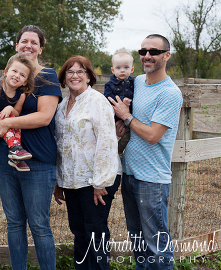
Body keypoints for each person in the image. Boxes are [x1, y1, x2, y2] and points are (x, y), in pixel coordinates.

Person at [0, 25, 62, 270]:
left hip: (38, 160)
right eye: (23, 41)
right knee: (14, 223)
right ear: (16, 45)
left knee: (39, 224)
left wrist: (7, 121)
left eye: (33, 42)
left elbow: (44, 117)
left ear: (41, 48)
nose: (28, 46)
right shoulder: (12, 76)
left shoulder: (46, 76)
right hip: (4, 158)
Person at [109, 34, 183, 270]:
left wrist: (126, 117)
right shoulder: (137, 82)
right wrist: (120, 124)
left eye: (154, 51)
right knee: (138, 241)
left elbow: (153, 136)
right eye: (143, 52)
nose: (147, 56)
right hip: (130, 174)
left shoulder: (170, 93)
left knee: (156, 244)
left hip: (152, 178)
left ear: (167, 55)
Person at [53, 55, 121, 270]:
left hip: (95, 181)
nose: (75, 76)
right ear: (64, 77)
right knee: (79, 232)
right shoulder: (62, 106)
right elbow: (60, 145)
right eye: (70, 72)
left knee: (96, 232)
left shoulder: (97, 101)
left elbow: (107, 142)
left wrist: (100, 182)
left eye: (80, 71)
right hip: (72, 180)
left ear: (89, 76)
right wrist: (59, 181)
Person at [104, 48, 135, 158]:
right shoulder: (109, 84)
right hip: (115, 117)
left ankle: (118, 151)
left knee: (128, 136)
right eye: (118, 68)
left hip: (131, 117)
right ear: (113, 70)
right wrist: (122, 101)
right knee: (110, 135)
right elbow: (108, 97)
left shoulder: (134, 82)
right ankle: (112, 153)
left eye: (126, 67)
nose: (122, 70)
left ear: (132, 69)